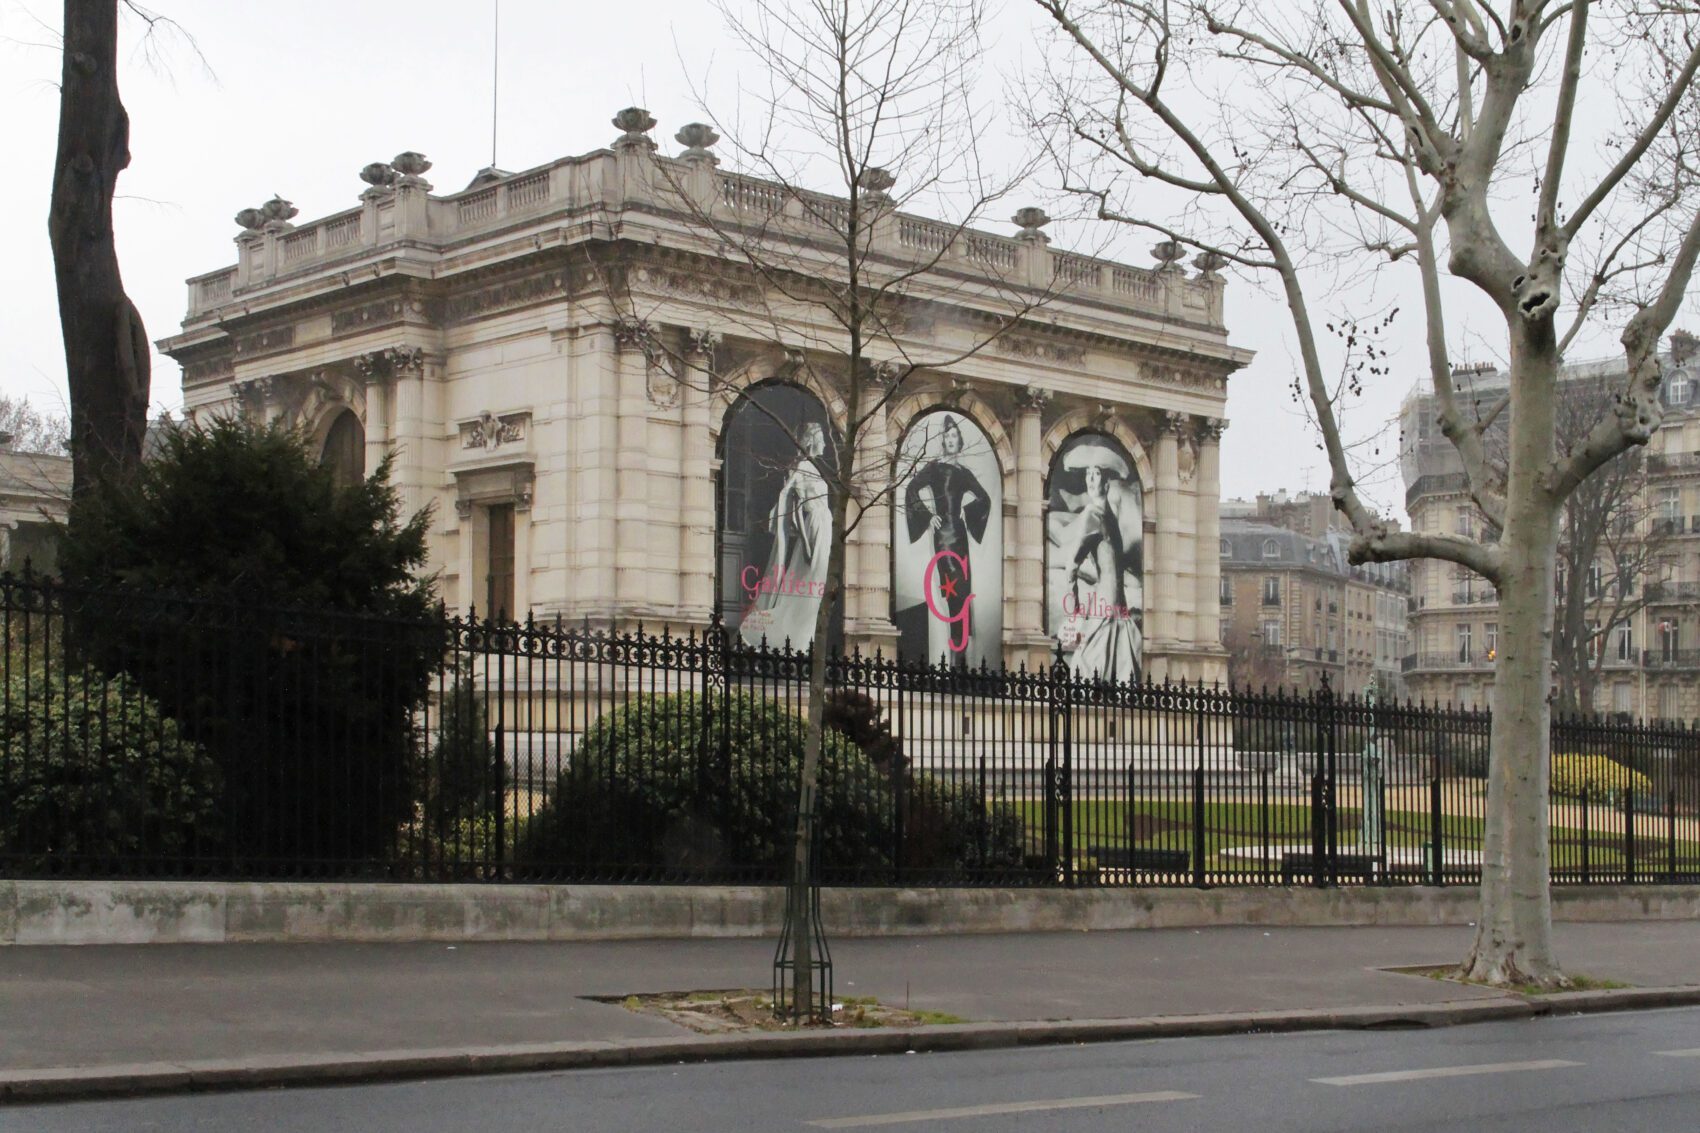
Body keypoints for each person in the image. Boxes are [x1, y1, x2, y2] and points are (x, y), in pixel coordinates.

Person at [903, 416, 991, 665]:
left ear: (959, 441)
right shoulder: (934, 467)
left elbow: (985, 498)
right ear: (942, 440)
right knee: (954, 589)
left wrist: (968, 511)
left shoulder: (964, 472)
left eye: (954, 436)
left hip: (959, 532)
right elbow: (911, 489)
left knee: (962, 590)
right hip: (943, 534)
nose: (950, 440)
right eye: (947, 436)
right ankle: (957, 652)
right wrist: (927, 516)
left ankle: (959, 653)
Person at [741, 422, 832, 651]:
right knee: (810, 585)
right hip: (814, 528)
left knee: (818, 588)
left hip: (825, 525)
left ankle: (806, 639)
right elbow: (795, 507)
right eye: (822, 439)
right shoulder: (802, 467)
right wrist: (806, 541)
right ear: (812, 441)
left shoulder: (815, 467)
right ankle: (798, 639)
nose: (825, 444)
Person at [1060, 449, 1143, 681]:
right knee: (1092, 667)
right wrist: (1075, 607)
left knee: (1121, 666)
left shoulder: (1110, 517)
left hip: (1119, 605)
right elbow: (1071, 565)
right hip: (1105, 605)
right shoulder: (1091, 515)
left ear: (1107, 482)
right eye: (1088, 474)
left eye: (1096, 474)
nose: (1091, 479)